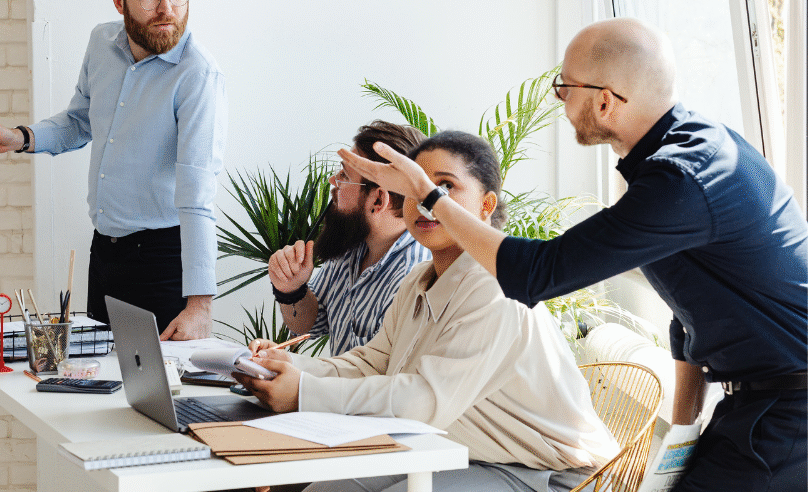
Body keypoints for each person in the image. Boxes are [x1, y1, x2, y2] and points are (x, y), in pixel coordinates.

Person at [340, 18, 808, 491]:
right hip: (754, 405)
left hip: (789, 409)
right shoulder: (687, 155)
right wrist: (682, 436)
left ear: (605, 101)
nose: (559, 100)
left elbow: (536, 274)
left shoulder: (680, 178)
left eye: (565, 87)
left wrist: (428, 195)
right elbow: (689, 311)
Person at [239, 131, 619, 492]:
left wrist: (303, 391)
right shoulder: (418, 279)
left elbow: (423, 402)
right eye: (415, 189)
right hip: (455, 450)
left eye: (444, 187)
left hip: (550, 473)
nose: (425, 201)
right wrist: (286, 366)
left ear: (486, 205)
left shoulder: (496, 288)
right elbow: (372, 363)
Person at [0, 0, 226, 341]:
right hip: (105, 254)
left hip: (164, 261)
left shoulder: (197, 74)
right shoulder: (102, 44)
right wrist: (17, 138)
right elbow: (79, 122)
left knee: (159, 381)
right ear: (119, 0)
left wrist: (200, 306)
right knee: (98, 374)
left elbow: (197, 195)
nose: (167, 9)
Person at [269, 121, 430, 355]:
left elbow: (379, 375)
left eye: (344, 175)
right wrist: (292, 290)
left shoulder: (412, 278)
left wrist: (292, 370)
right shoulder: (353, 243)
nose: (333, 181)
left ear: (378, 200)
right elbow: (311, 324)